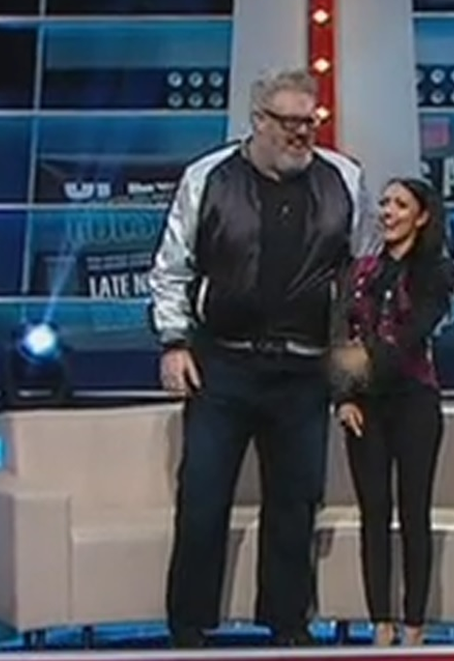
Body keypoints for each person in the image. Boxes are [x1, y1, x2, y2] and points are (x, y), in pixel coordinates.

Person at [148, 68, 367, 647]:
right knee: (203, 498)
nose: (300, 133)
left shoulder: (344, 178)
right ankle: (188, 626)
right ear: (258, 122)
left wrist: (350, 363)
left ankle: (288, 626)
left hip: (304, 371)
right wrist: (174, 342)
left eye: (308, 122)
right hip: (222, 366)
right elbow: (171, 269)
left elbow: (360, 277)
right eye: (288, 122)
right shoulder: (208, 177)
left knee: (295, 503)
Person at [329, 178, 454, 647]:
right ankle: (380, 625)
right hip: (365, 408)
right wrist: (344, 396)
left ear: (422, 216)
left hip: (414, 403)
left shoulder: (435, 273)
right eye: (384, 203)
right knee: (374, 514)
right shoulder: (361, 270)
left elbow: (410, 336)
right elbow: (341, 332)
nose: (387, 212)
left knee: (413, 513)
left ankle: (414, 626)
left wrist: (364, 366)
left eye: (400, 204)